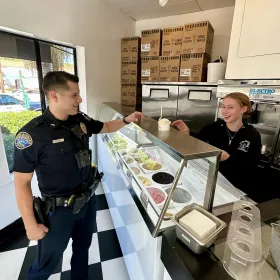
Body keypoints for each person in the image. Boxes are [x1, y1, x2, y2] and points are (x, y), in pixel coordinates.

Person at [13, 71, 144, 280]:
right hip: (58, 212)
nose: (80, 99)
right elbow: (21, 183)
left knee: (83, 250)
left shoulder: (79, 120)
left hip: (87, 202)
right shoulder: (33, 135)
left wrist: (127, 120)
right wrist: (30, 225)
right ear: (54, 96)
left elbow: (106, 127)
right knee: (46, 263)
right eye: (74, 95)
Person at [171, 92, 262, 194]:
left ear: (243, 109)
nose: (225, 111)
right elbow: (197, 141)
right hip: (207, 180)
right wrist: (188, 134)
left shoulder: (252, 135)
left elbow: (252, 167)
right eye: (223, 107)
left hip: (234, 187)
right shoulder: (214, 127)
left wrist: (228, 159)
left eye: (230, 107)